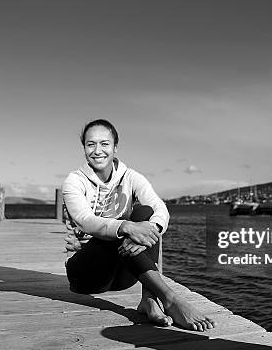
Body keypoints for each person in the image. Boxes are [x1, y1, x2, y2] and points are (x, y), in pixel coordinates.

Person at [61, 119, 216, 331]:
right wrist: (127, 227)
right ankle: (169, 299)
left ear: (115, 147)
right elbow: (86, 221)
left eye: (105, 144)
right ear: (84, 149)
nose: (98, 150)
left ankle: (149, 300)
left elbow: (161, 210)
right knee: (115, 230)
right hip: (86, 275)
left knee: (146, 213)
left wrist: (149, 232)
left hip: (125, 275)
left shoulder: (131, 177)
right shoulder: (74, 181)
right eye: (91, 144)